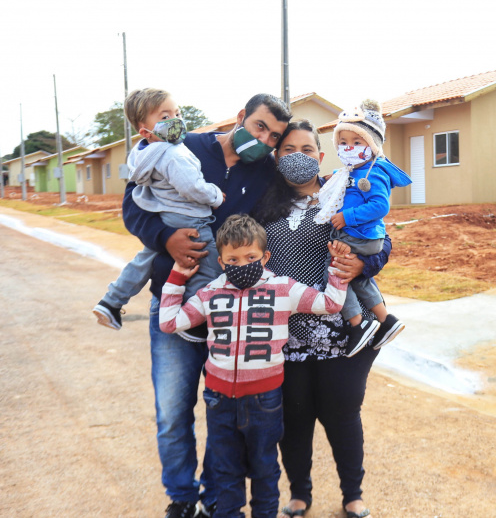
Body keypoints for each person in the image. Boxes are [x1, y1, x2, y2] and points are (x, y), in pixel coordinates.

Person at [121, 93, 315, 518]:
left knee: (223, 413)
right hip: (173, 300)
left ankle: (216, 498)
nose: (264, 140)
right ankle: (182, 498)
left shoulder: (265, 172)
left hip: (229, 318)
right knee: (173, 412)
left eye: (274, 136)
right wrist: (163, 237)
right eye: (260, 127)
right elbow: (132, 203)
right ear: (242, 117)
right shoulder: (183, 144)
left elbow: (307, 200)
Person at [159, 214, 349, 518]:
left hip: (265, 400)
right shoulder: (210, 293)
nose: (242, 263)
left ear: (265, 257)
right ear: (221, 261)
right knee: (225, 470)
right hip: (218, 400)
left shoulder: (284, 289)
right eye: (233, 258)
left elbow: (330, 303)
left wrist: (338, 267)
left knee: (264, 469)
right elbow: (169, 323)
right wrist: (178, 276)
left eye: (251, 256)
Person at [251, 119, 390, 518]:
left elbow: (383, 238)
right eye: (289, 150)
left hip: (347, 330)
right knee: (294, 417)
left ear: (321, 156)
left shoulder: (343, 192)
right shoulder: (263, 205)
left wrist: (364, 264)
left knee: (342, 413)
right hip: (285, 333)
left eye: (307, 150)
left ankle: (353, 493)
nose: (298, 157)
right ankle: (300, 493)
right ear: (277, 158)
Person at [93, 88, 224, 332]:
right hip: (191, 218)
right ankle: (193, 320)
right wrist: (215, 195)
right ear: (145, 131)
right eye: (164, 117)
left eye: (177, 112)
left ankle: (112, 300)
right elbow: (192, 187)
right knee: (212, 263)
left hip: (167, 216)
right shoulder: (173, 153)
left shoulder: (142, 153)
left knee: (144, 259)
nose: (175, 120)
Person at [315, 100, 411, 357]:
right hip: (360, 235)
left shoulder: (374, 172)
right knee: (358, 278)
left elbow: (380, 206)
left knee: (335, 272)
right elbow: (344, 178)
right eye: (343, 141)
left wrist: (347, 216)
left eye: (357, 142)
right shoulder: (353, 170)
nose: (349, 147)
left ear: (373, 144)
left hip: (361, 235)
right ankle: (385, 320)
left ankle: (358, 324)